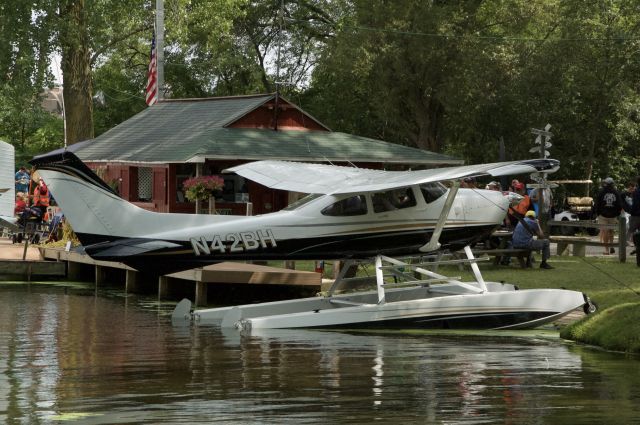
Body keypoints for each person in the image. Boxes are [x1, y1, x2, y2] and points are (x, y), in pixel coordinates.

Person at [594, 177, 625, 255]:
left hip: (603, 215)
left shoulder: (601, 192)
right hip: (613, 216)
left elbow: (597, 203)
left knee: (605, 232)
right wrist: (617, 214)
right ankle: (611, 246)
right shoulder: (616, 192)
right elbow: (619, 204)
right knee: (611, 231)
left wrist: (597, 213)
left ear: (606, 184)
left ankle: (607, 250)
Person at [627, 176, 640, 255]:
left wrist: (631, 212)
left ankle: (636, 247)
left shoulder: (636, 192)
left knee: (632, 231)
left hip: (636, 215)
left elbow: (634, 204)